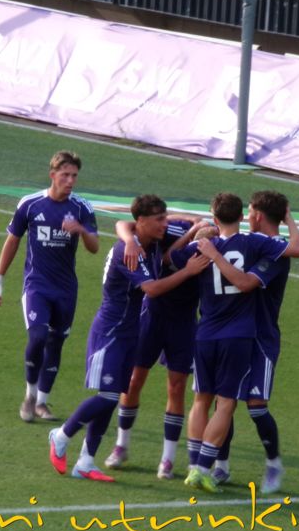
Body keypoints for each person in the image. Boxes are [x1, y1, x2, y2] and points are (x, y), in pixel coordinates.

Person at [48, 195, 209, 482]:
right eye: (159, 219)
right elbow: (152, 289)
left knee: (111, 399)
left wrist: (193, 224)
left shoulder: (147, 241)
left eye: (165, 218)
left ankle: (86, 461)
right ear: (142, 222)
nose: (165, 224)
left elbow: (127, 223)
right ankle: (61, 435)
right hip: (111, 331)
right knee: (108, 396)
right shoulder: (128, 251)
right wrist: (188, 271)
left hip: (130, 331)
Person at [170, 192, 299, 493]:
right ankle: (219, 466)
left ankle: (273, 463)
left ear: (256, 216)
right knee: (223, 400)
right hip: (236, 333)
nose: (250, 215)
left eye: (253, 210)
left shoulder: (272, 252)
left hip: (261, 336)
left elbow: (248, 280)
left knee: (255, 407)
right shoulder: (252, 244)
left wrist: (204, 240)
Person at [0, 151, 99, 423]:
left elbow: (94, 247)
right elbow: (13, 240)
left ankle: (42, 402)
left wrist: (80, 230)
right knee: (38, 337)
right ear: (53, 175)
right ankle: (30, 394)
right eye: (65, 175)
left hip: (66, 289)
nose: (70, 181)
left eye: (74, 176)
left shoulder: (82, 208)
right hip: (36, 285)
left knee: (56, 342)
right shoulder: (30, 204)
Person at [104, 214, 213, 479]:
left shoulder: (216, 252)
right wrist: (192, 223)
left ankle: (168, 459)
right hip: (151, 317)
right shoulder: (173, 230)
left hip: (183, 323)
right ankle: (121, 445)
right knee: (133, 380)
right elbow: (128, 225)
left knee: (176, 387)